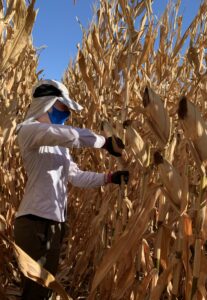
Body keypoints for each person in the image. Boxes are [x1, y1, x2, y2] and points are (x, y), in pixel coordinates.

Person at [14, 79, 129, 300]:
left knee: (47, 287)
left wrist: (109, 178)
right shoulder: (27, 131)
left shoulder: (60, 148)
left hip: (55, 222)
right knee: (34, 290)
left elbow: (75, 177)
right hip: (33, 221)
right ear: (47, 103)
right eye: (63, 108)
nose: (66, 114)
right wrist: (104, 142)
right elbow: (68, 135)